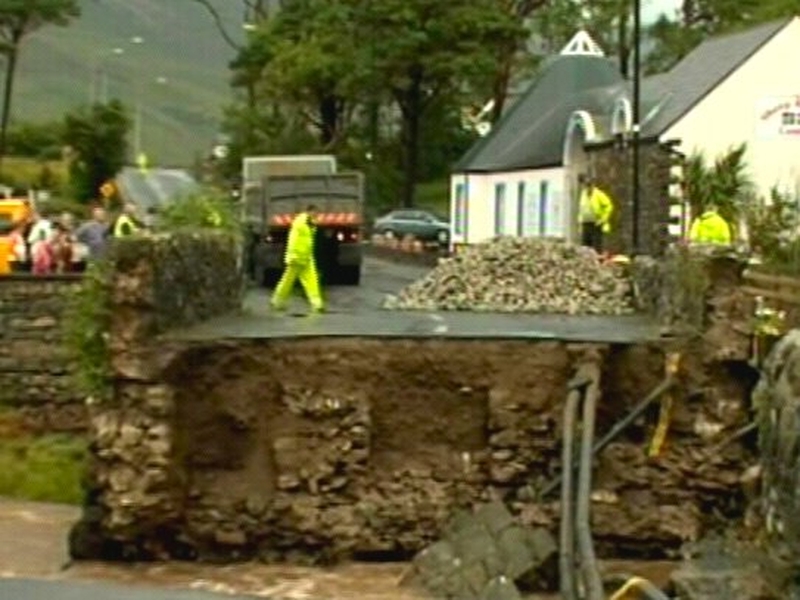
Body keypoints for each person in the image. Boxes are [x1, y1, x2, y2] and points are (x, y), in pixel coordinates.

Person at [270, 204, 324, 313]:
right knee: (288, 280)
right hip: (297, 257)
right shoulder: (299, 222)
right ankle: (277, 300)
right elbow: (293, 239)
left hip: (306, 257)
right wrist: (292, 254)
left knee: (312, 280)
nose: (317, 215)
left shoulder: (311, 224)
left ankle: (317, 304)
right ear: (310, 211)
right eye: (315, 212)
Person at [578, 175, 614, 252]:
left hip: (596, 224)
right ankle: (587, 262)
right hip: (585, 223)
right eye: (585, 185)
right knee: (585, 247)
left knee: (596, 247)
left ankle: (596, 262)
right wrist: (580, 222)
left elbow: (609, 206)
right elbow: (582, 209)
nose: (587, 187)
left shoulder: (598, 194)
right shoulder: (583, 194)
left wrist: (603, 219)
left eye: (589, 185)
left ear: (592, 185)